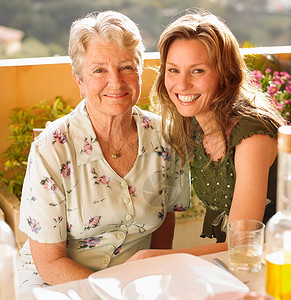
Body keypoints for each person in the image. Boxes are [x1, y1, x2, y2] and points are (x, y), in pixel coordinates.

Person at [17, 10, 190, 290]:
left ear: (141, 69)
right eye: (99, 70)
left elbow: (165, 221)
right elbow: (49, 262)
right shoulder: (51, 150)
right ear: (79, 81)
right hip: (57, 283)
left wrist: (152, 281)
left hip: (133, 285)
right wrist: (114, 292)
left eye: (126, 67)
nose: (116, 82)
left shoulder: (165, 137)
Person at [128, 10, 291, 261]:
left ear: (225, 75)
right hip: (235, 263)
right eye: (173, 70)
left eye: (197, 71)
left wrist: (156, 257)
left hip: (283, 263)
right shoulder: (194, 126)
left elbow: (242, 243)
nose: (181, 85)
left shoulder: (252, 137)